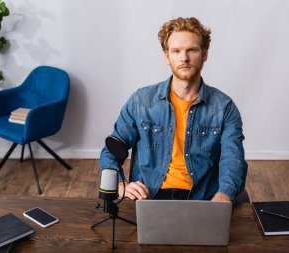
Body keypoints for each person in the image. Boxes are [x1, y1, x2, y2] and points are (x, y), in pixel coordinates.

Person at [99, 17, 247, 203]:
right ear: (167, 56)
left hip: (203, 199)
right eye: (176, 51)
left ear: (205, 53)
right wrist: (120, 185)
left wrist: (224, 196)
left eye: (192, 50)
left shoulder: (224, 108)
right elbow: (111, 149)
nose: (184, 58)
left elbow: (233, 160)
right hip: (149, 197)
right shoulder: (141, 101)